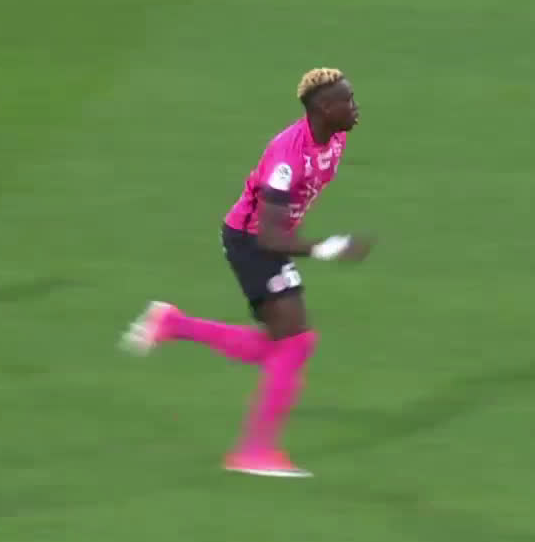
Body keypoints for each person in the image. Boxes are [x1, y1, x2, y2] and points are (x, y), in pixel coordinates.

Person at [123, 67, 373, 478]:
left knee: (283, 346)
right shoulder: (287, 157)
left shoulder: (336, 137)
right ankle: (254, 452)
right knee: (295, 343)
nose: (355, 107)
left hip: (269, 240)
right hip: (252, 242)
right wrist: (325, 248)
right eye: (347, 101)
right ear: (325, 109)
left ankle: (173, 324)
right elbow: (269, 236)